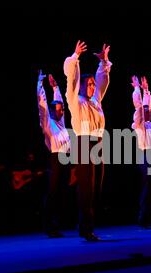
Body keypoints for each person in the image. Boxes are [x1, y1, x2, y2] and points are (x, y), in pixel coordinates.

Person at [64, 41, 112, 241]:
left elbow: (103, 80)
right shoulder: (76, 101)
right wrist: (75, 57)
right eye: (89, 84)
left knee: (96, 187)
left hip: (98, 143)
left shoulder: (95, 101)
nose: (93, 86)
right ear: (82, 86)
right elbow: (72, 80)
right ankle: (85, 228)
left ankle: (88, 225)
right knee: (86, 187)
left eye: (93, 83)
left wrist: (104, 62)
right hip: (84, 144)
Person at [37, 70, 71, 237]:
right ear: (52, 112)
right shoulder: (48, 124)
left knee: (62, 193)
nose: (61, 112)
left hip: (65, 159)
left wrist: (56, 87)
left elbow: (60, 102)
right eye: (58, 110)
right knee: (52, 192)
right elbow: (42, 106)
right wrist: (40, 86)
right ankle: (49, 226)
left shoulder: (61, 122)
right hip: (55, 159)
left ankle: (57, 224)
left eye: (62, 110)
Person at [130, 75, 151, 229]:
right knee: (147, 187)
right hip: (144, 156)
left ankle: (149, 216)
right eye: (145, 111)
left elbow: (147, 106)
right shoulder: (139, 124)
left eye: (149, 111)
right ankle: (143, 218)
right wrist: (137, 89)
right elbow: (140, 107)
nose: (147, 112)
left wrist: (146, 90)